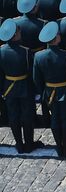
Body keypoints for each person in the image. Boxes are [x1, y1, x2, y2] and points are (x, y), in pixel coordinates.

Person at [34, 23, 66, 157]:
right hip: (64, 91)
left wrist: (43, 92)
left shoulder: (38, 56)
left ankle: (59, 146)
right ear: (56, 38)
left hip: (49, 92)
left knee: (55, 119)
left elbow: (37, 78)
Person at [0, 20, 36, 154]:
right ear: (15, 34)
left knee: (13, 116)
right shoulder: (26, 52)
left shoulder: (1, 51)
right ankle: (29, 143)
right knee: (27, 116)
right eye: (19, 31)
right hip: (24, 87)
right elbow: (32, 73)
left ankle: (19, 143)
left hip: (9, 87)